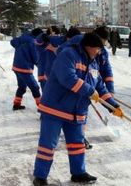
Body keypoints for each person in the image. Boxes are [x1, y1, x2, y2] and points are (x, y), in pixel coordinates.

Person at [32, 33, 124, 186]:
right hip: (56, 108)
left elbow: (99, 87)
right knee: (48, 144)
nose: (99, 52)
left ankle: (78, 173)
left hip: (77, 111)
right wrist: (89, 90)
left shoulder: (93, 63)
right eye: (97, 49)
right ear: (89, 47)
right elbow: (67, 78)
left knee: (77, 144)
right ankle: (40, 176)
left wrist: (113, 106)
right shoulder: (68, 55)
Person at [10, 28, 43, 111]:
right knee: (35, 87)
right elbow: (35, 58)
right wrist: (41, 65)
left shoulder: (22, 38)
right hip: (25, 68)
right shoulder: (32, 42)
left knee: (22, 87)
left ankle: (16, 104)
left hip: (16, 67)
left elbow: (12, 41)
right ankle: (42, 108)